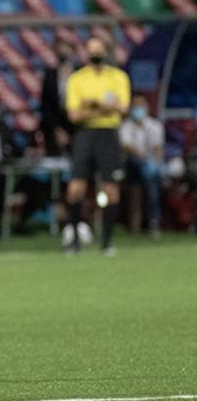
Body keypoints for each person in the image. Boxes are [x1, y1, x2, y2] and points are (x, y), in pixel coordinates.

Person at [64, 38, 131, 255]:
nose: (95, 55)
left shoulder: (118, 77)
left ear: (106, 51)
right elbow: (74, 114)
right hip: (85, 134)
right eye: (91, 51)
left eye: (99, 50)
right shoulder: (77, 79)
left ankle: (107, 242)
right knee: (76, 189)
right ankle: (74, 241)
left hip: (108, 135)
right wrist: (105, 107)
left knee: (110, 190)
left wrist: (93, 104)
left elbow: (122, 109)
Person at [120, 96, 164, 236]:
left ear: (147, 107)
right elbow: (128, 148)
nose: (138, 109)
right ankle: (137, 225)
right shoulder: (125, 126)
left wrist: (155, 164)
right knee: (137, 165)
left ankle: (153, 223)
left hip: (149, 165)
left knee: (152, 181)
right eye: (135, 105)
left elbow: (158, 148)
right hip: (132, 166)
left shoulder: (155, 125)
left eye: (141, 105)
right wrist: (145, 161)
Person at [41, 37, 78, 156]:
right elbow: (45, 105)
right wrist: (56, 130)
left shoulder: (81, 74)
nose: (63, 53)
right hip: (56, 127)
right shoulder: (50, 75)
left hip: (76, 127)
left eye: (66, 49)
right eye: (60, 49)